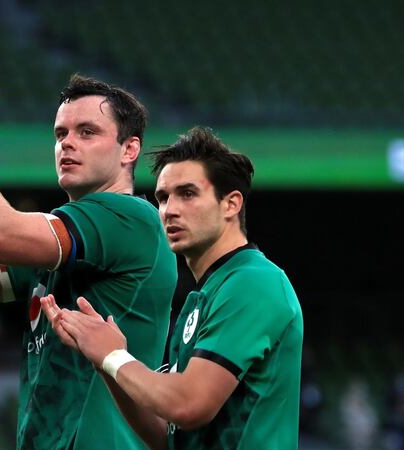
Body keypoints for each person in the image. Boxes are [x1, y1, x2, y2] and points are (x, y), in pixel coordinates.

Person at [0, 57, 176, 450]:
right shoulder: (60, 241)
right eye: (61, 133)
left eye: (87, 132)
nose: (67, 143)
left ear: (129, 150)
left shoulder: (129, 218)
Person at [41, 126, 304, 449]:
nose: (169, 210)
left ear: (231, 204)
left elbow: (190, 405)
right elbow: (166, 434)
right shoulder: (205, 295)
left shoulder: (253, 283)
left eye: (188, 193)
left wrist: (114, 355)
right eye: (163, 197)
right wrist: (106, 363)